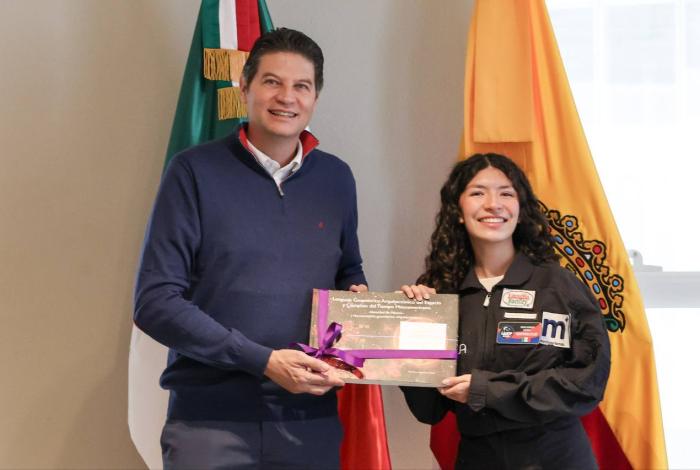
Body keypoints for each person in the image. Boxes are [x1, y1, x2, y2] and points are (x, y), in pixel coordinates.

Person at [134, 28, 367, 470]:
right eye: (272, 81)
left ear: (316, 97)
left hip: (310, 424)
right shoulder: (192, 172)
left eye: (302, 86)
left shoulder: (337, 179)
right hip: (210, 425)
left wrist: (362, 303)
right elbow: (155, 302)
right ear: (244, 87)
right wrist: (263, 361)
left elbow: (348, 271)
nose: (287, 97)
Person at [401, 153, 611, 470]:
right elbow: (429, 410)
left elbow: (586, 383)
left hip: (555, 459)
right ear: (458, 211)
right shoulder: (440, 292)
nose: (493, 204)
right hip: (477, 459)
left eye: (506, 193)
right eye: (477, 193)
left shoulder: (557, 287)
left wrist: (488, 390)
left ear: (520, 210)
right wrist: (411, 326)